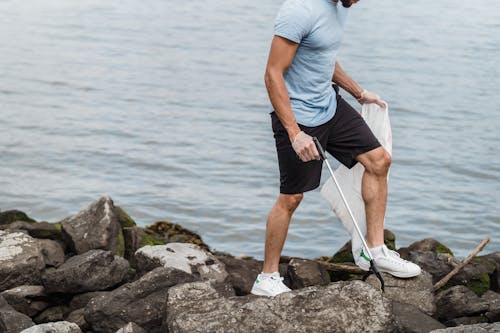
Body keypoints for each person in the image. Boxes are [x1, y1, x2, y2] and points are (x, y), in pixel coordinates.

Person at [251, 0, 421, 297]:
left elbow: (324, 56)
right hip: (298, 118)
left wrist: (358, 92)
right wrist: (295, 133)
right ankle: (267, 277)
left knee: (379, 161)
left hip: (330, 106)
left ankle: (376, 249)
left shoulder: (340, 7)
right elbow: (272, 73)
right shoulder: (298, 11)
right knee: (291, 198)